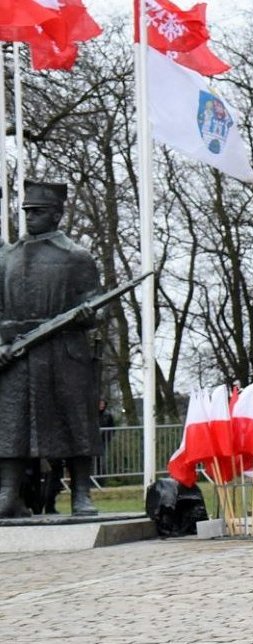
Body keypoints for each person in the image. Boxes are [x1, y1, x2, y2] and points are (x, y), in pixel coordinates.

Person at [0, 181, 102, 518]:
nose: (31, 217)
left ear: (57, 215)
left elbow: (93, 306)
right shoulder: (8, 256)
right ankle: (9, 494)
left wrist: (87, 314)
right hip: (19, 352)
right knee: (11, 425)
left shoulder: (76, 256)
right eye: (27, 211)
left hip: (64, 352)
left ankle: (82, 494)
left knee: (76, 423)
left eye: (39, 211)